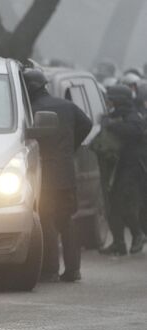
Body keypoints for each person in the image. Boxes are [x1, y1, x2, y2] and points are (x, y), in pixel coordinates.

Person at [23, 69, 92, 283]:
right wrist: (70, 146)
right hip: (66, 173)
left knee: (46, 220)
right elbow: (87, 124)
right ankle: (73, 270)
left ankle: (50, 269)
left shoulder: (30, 110)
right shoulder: (67, 106)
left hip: (44, 175)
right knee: (67, 220)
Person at [99, 85, 147, 256]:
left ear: (119, 100)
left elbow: (135, 131)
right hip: (118, 168)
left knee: (126, 205)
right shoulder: (116, 116)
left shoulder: (134, 117)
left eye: (112, 99)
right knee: (114, 206)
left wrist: (113, 125)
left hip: (133, 168)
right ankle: (119, 243)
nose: (109, 102)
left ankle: (137, 234)